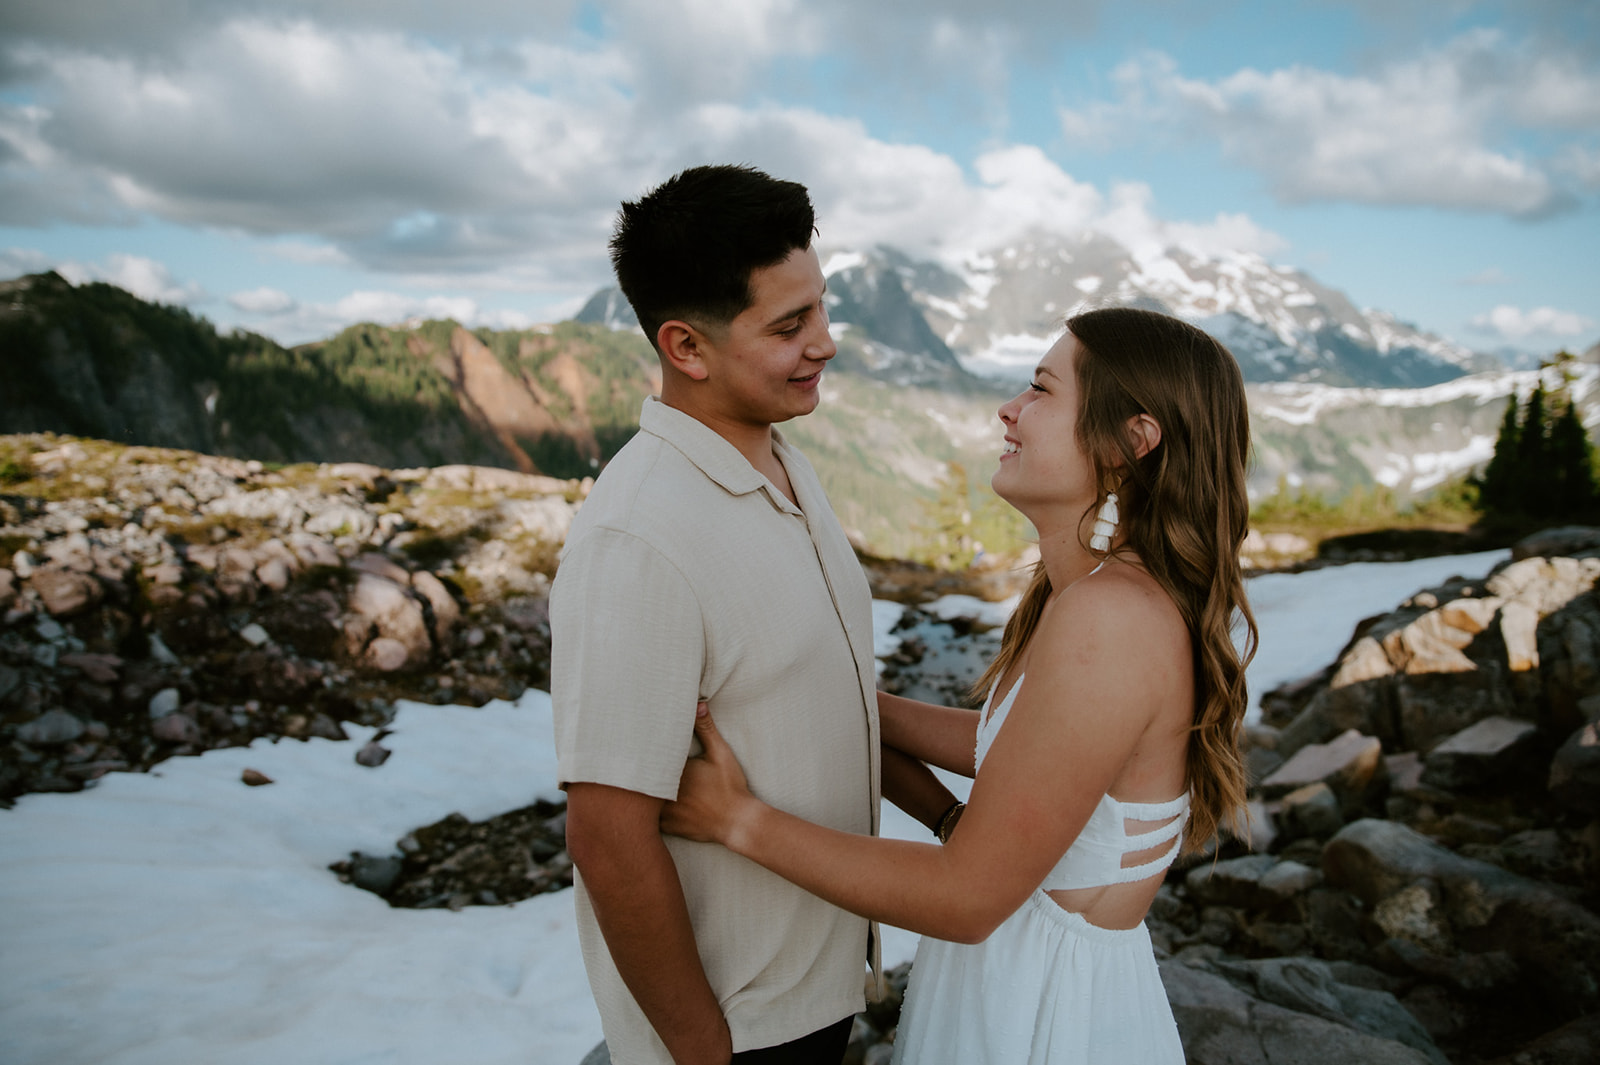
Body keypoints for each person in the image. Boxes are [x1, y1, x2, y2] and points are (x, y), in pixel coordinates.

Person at [662, 306, 1257, 1065]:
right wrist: (838, 702)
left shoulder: (1111, 619)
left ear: (1130, 443)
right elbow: (1018, 752)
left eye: (1041, 390)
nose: (1009, 409)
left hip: (1041, 1016)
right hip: (1033, 983)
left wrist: (734, 819)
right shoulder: (1108, 597)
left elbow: (967, 898)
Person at [551, 164, 959, 1065]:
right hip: (739, 1023)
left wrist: (947, 820)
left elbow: (825, 695)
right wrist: (704, 1051)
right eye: (789, 326)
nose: (826, 344)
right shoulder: (638, 538)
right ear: (686, 348)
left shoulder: (785, 464)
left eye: (819, 308)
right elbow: (607, 836)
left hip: (820, 983)